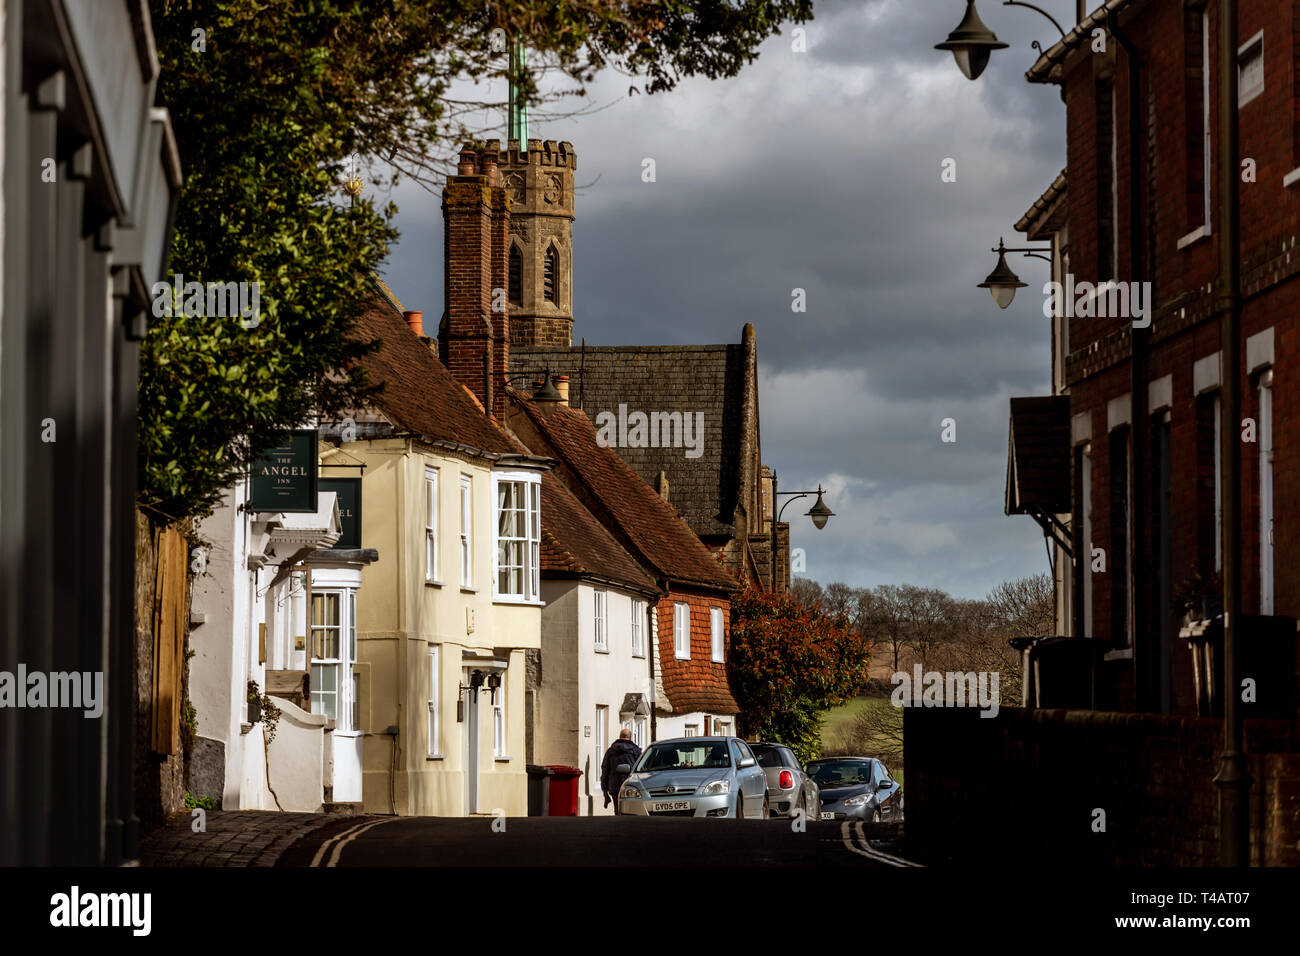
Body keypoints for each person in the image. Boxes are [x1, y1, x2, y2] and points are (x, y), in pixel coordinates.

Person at [601, 728, 642, 813]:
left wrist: (605, 789)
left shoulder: (610, 750)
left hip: (614, 784)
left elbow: (605, 768)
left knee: (617, 809)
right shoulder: (635, 750)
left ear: (619, 737)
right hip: (631, 784)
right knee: (632, 809)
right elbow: (641, 768)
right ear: (630, 738)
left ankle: (617, 822)